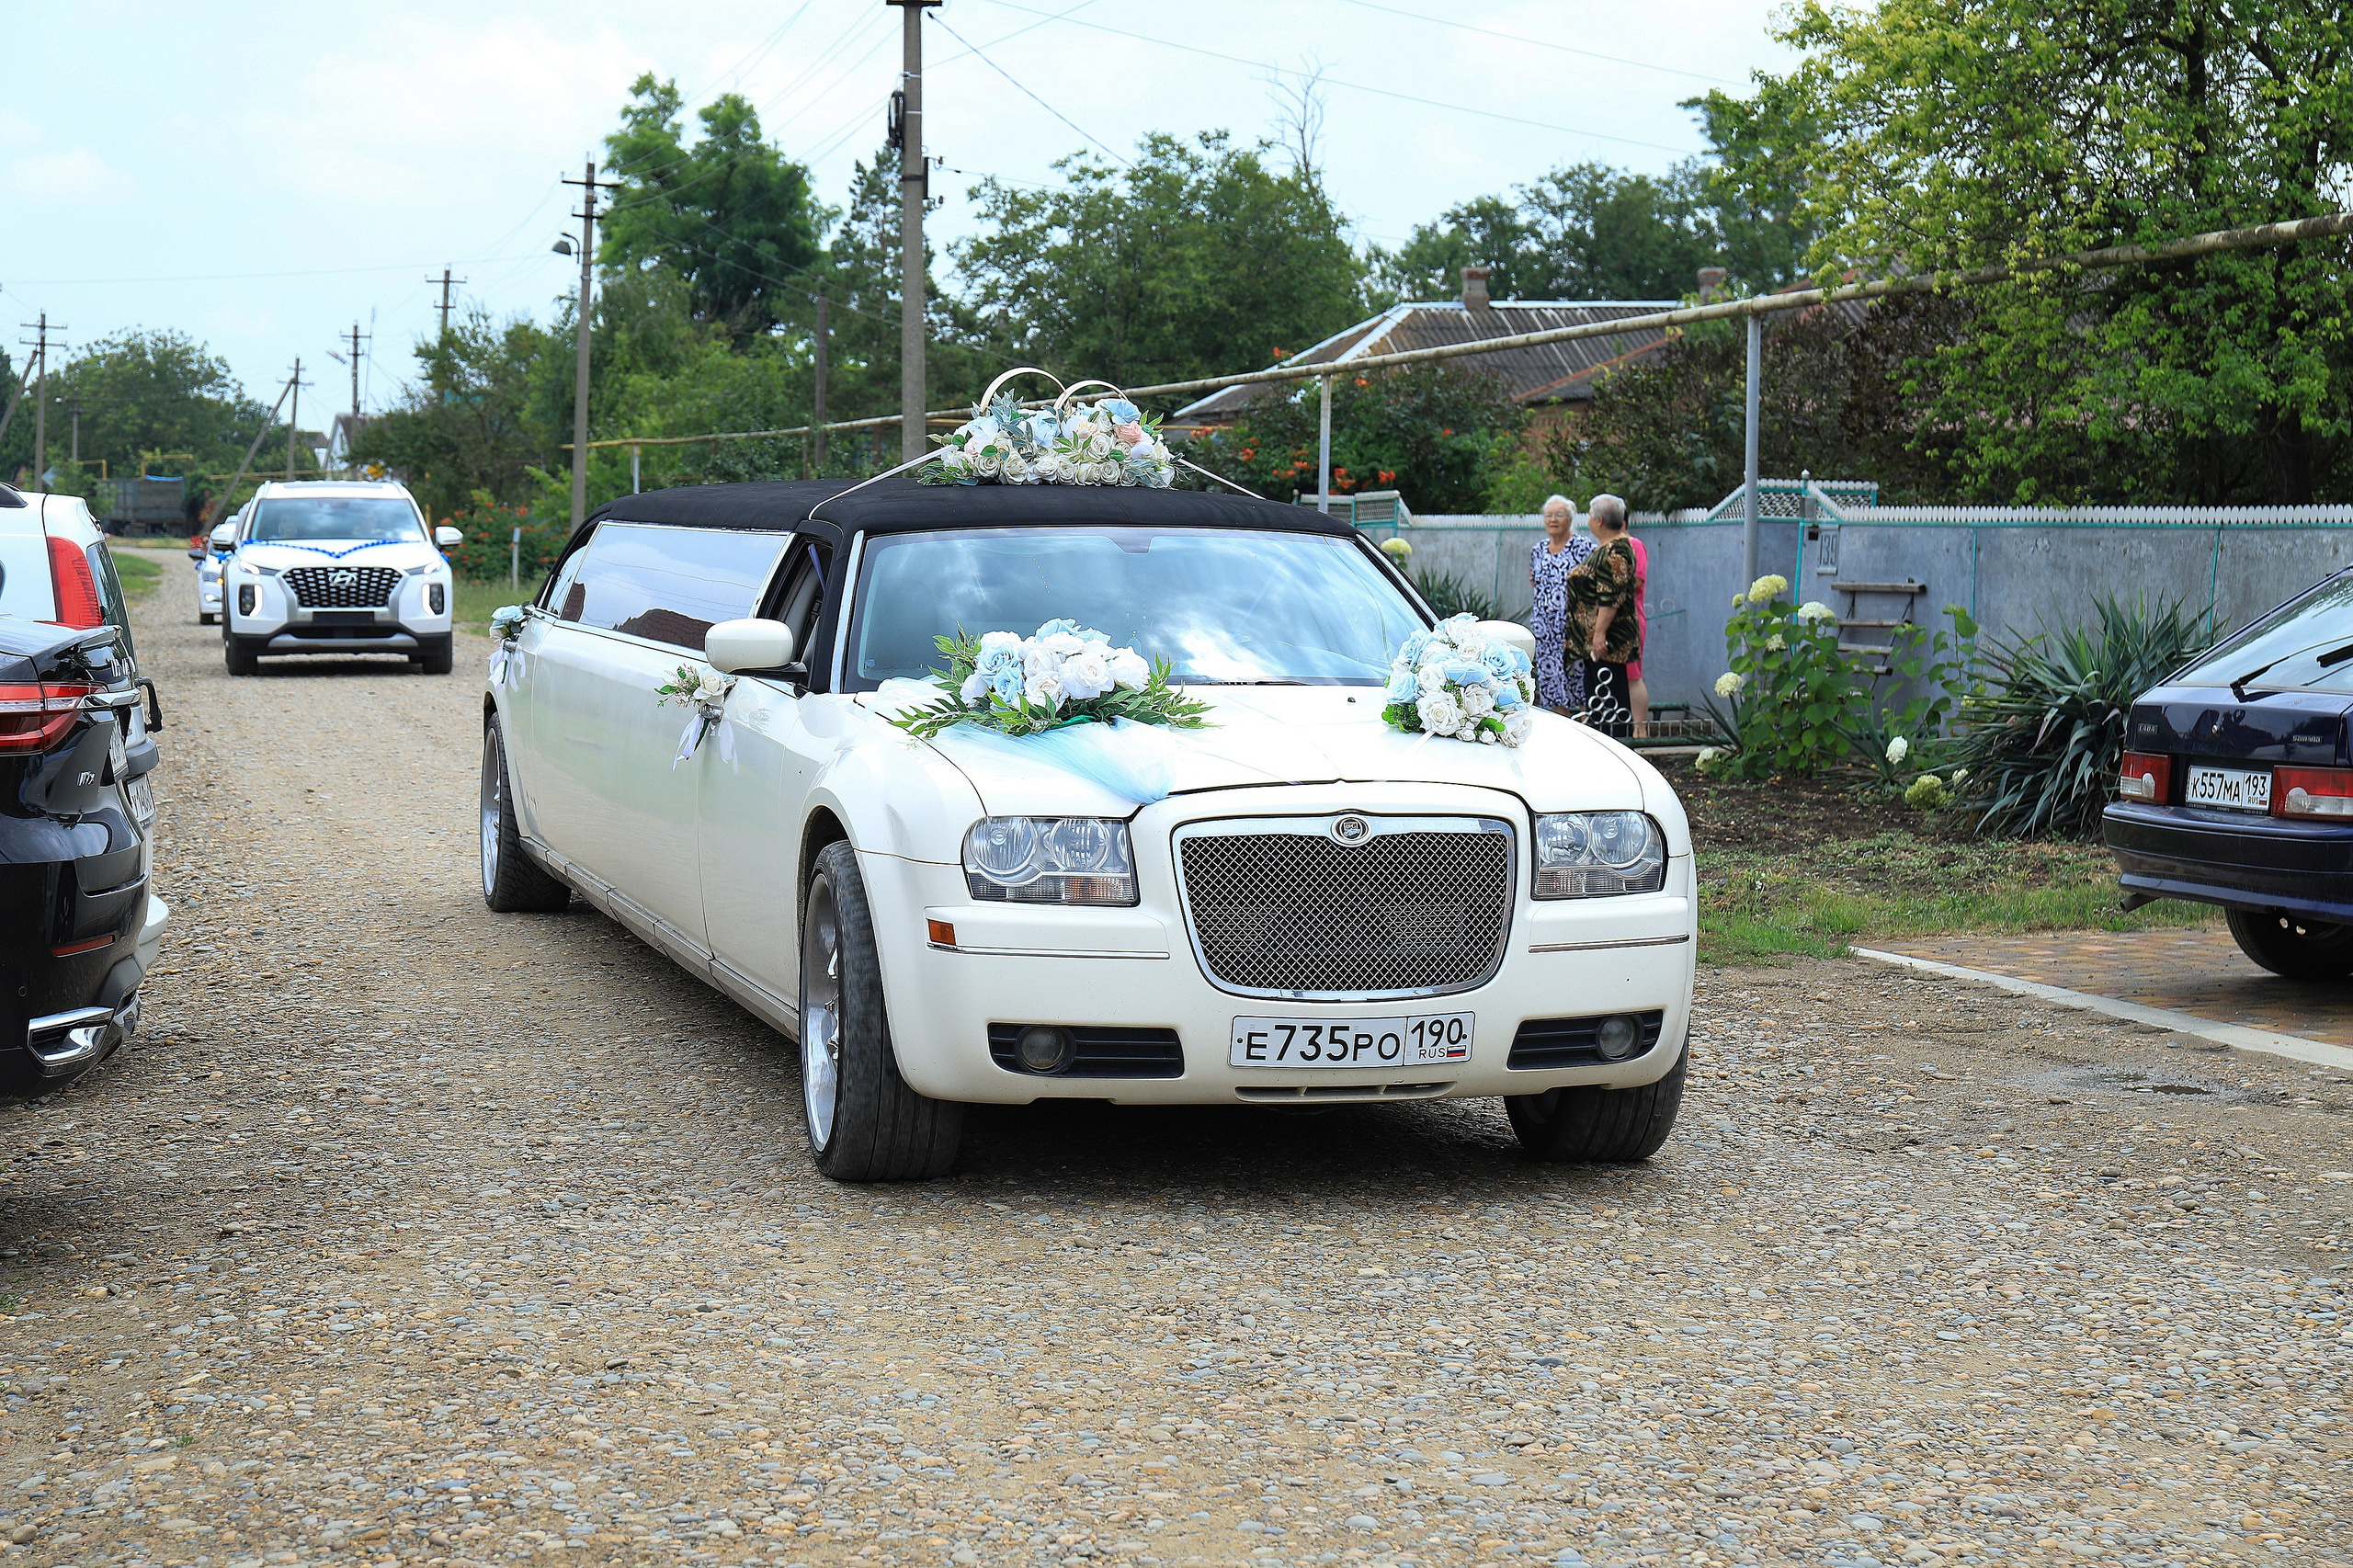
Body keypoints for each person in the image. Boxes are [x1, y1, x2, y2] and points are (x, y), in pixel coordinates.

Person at [1565, 493, 1640, 736]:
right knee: (1599, 698)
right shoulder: (1608, 548)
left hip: (1608, 643)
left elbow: (1611, 597)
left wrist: (1599, 635)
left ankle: (1617, 747)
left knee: (1609, 699)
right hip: (1597, 642)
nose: (1587, 519)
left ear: (1598, 521)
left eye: (1589, 514)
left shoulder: (1616, 550)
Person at [1527, 494, 1593, 715]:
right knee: (1551, 679)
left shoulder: (1583, 547)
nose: (1553, 520)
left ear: (1570, 518)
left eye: (1559, 515)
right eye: (1548, 515)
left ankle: (1587, 728)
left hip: (1576, 628)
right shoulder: (1538, 550)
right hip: (1546, 629)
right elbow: (1534, 581)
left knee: (1580, 679)